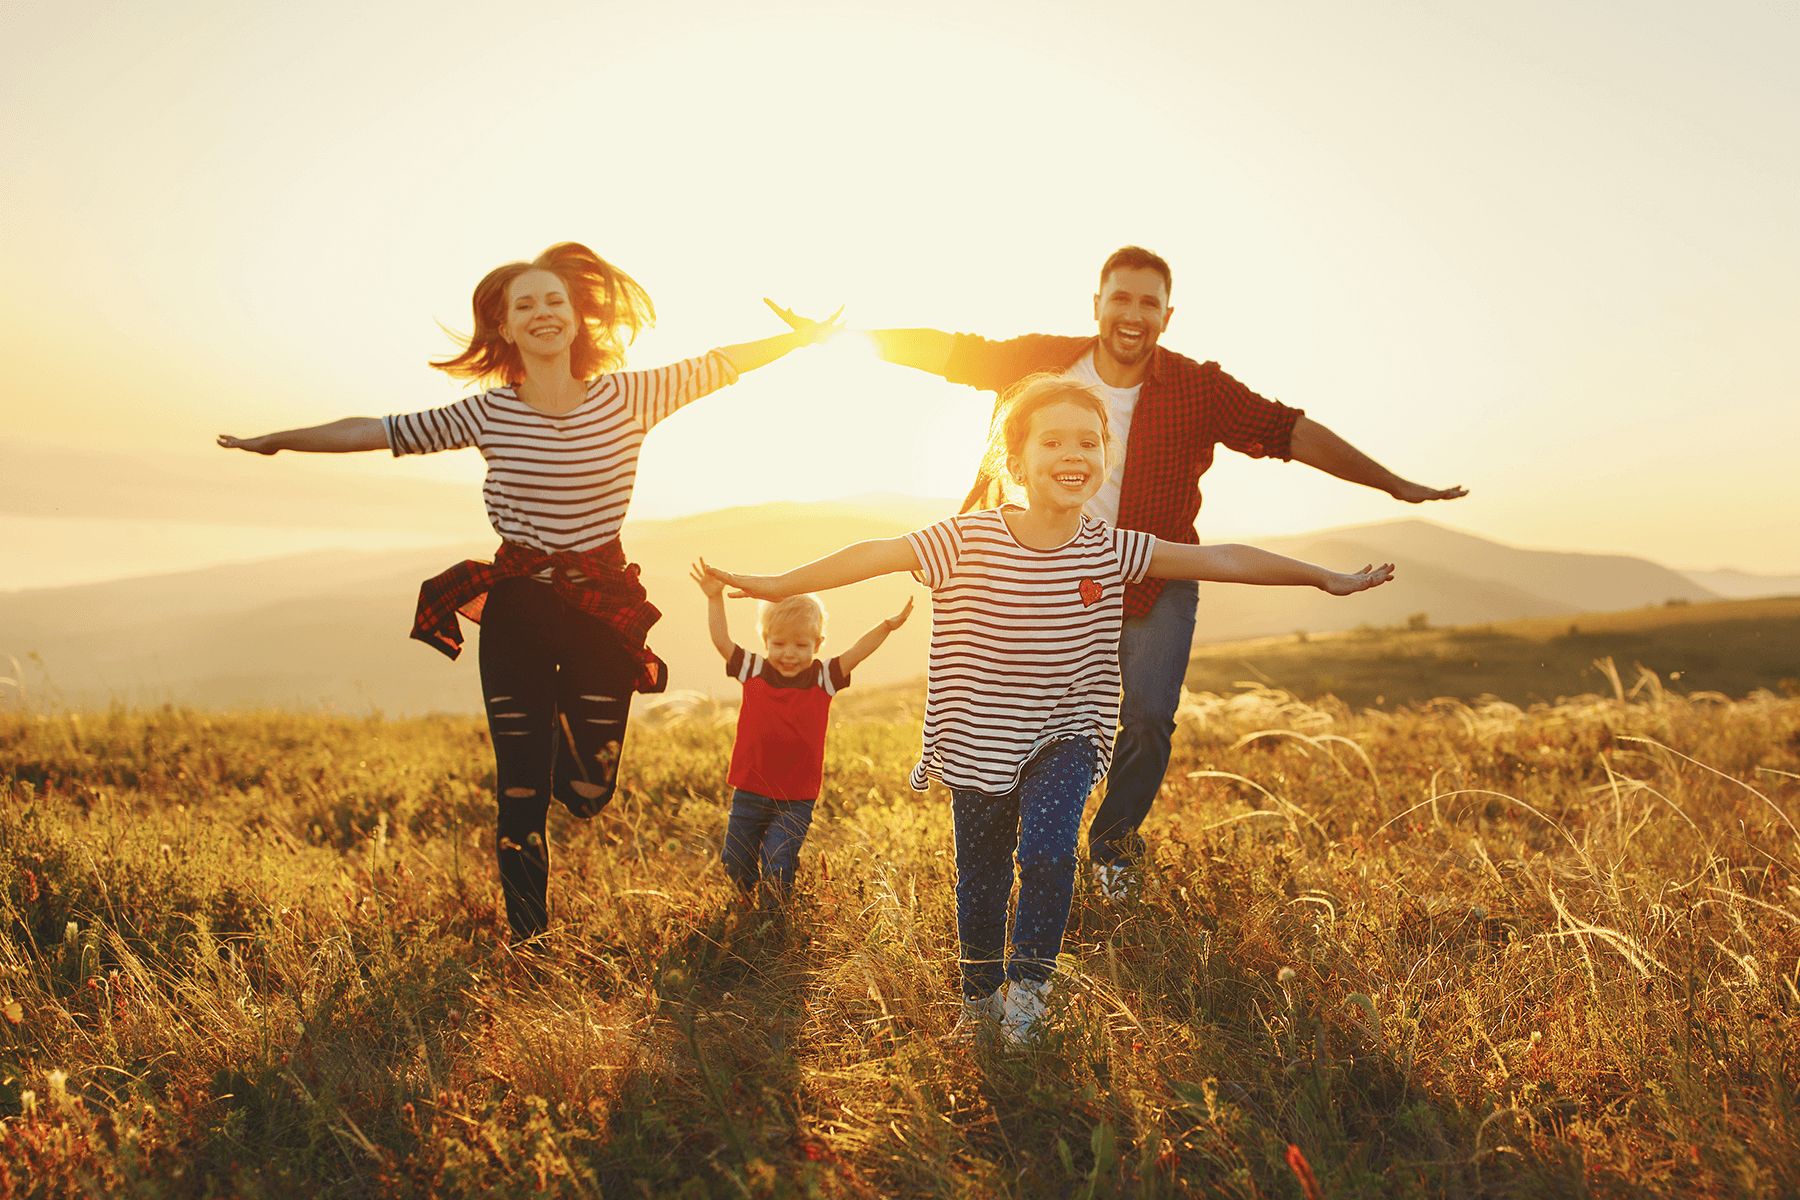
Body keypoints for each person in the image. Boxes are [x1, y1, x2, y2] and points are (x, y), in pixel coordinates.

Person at [706, 374, 1394, 1043]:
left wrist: (1320, 576)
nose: (1074, 456)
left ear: (1105, 457)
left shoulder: (1111, 548)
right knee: (979, 878)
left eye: (1090, 443)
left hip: (1069, 734)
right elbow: (875, 554)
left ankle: (1031, 991)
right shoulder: (964, 539)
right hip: (977, 737)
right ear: (1016, 461)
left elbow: (1223, 559)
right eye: (1054, 442)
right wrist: (774, 584)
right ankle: (980, 999)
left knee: (1047, 846)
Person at [773, 247, 1462, 892]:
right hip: (1038, 570)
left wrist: (1394, 485)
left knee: (1151, 717)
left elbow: (1289, 432)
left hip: (1153, 571)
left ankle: (1112, 851)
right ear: (1097, 303)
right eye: (1121, 299)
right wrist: (829, 337)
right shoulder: (1041, 362)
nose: (1133, 315)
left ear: (1167, 315)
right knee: (1021, 712)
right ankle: (1021, 839)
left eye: (1150, 304)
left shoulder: (1198, 387)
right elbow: (946, 352)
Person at [219, 242, 836, 942]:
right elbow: (376, 430)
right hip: (517, 605)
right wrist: (278, 439)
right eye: (524, 306)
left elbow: (722, 364)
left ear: (576, 318)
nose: (542, 313)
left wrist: (802, 336)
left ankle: (549, 752)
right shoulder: (487, 414)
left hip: (600, 608)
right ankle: (529, 938)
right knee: (517, 794)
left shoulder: (632, 395)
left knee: (585, 789)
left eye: (554, 301)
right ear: (506, 329)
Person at [689, 563, 912, 903]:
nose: (789, 653)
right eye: (779, 643)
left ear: (818, 645)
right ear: (765, 641)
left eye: (800, 645)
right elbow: (722, 641)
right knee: (735, 862)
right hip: (749, 790)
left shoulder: (823, 677)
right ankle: (746, 907)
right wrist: (714, 597)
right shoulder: (754, 670)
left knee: (778, 862)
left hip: (796, 798)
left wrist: (887, 626)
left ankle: (774, 917)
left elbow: (857, 653)